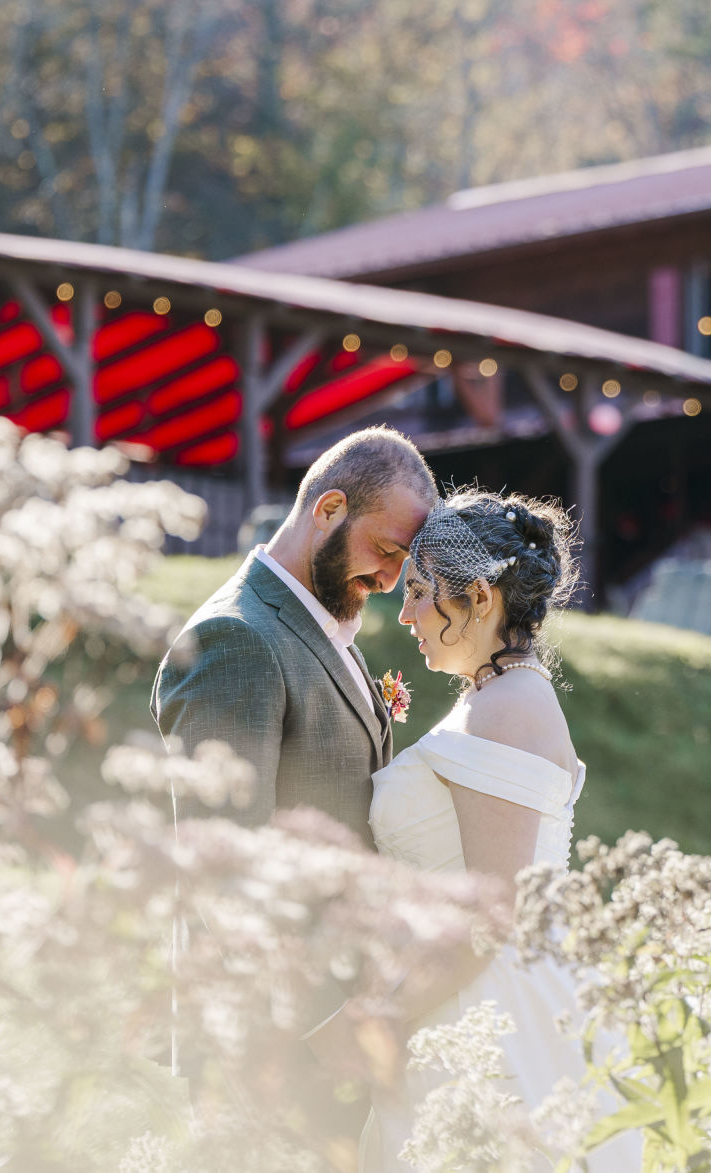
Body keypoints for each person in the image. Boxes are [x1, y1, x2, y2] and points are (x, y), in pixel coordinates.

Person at [150, 425, 437, 1162]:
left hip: (338, 1030)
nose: (392, 580)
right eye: (387, 551)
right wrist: (309, 1034)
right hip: (280, 1046)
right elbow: (222, 868)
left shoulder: (317, 622)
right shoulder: (234, 640)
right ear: (330, 508)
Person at [357, 488, 640, 1173]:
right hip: (465, 993)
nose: (406, 612)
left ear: (480, 598)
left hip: (488, 1008)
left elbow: (493, 913)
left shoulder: (509, 706)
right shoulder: (494, 694)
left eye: (422, 591)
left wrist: (382, 1021)